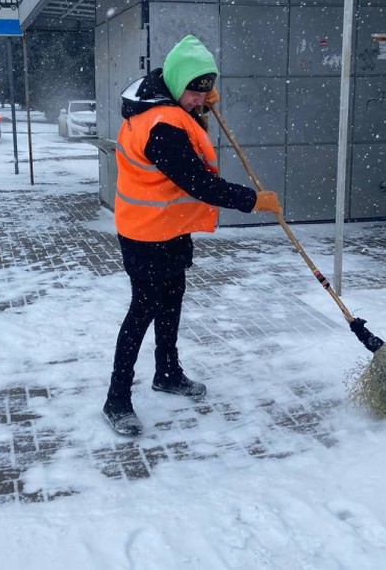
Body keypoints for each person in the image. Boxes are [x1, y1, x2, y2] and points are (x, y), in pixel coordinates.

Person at [103, 34, 283, 436]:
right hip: (144, 234)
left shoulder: (160, 101)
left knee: (171, 301)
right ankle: (117, 398)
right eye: (193, 91)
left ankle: (167, 372)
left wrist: (197, 108)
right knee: (143, 309)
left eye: (205, 92)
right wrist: (253, 200)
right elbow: (197, 181)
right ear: (176, 81)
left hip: (168, 227)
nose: (199, 100)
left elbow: (185, 124)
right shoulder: (160, 125)